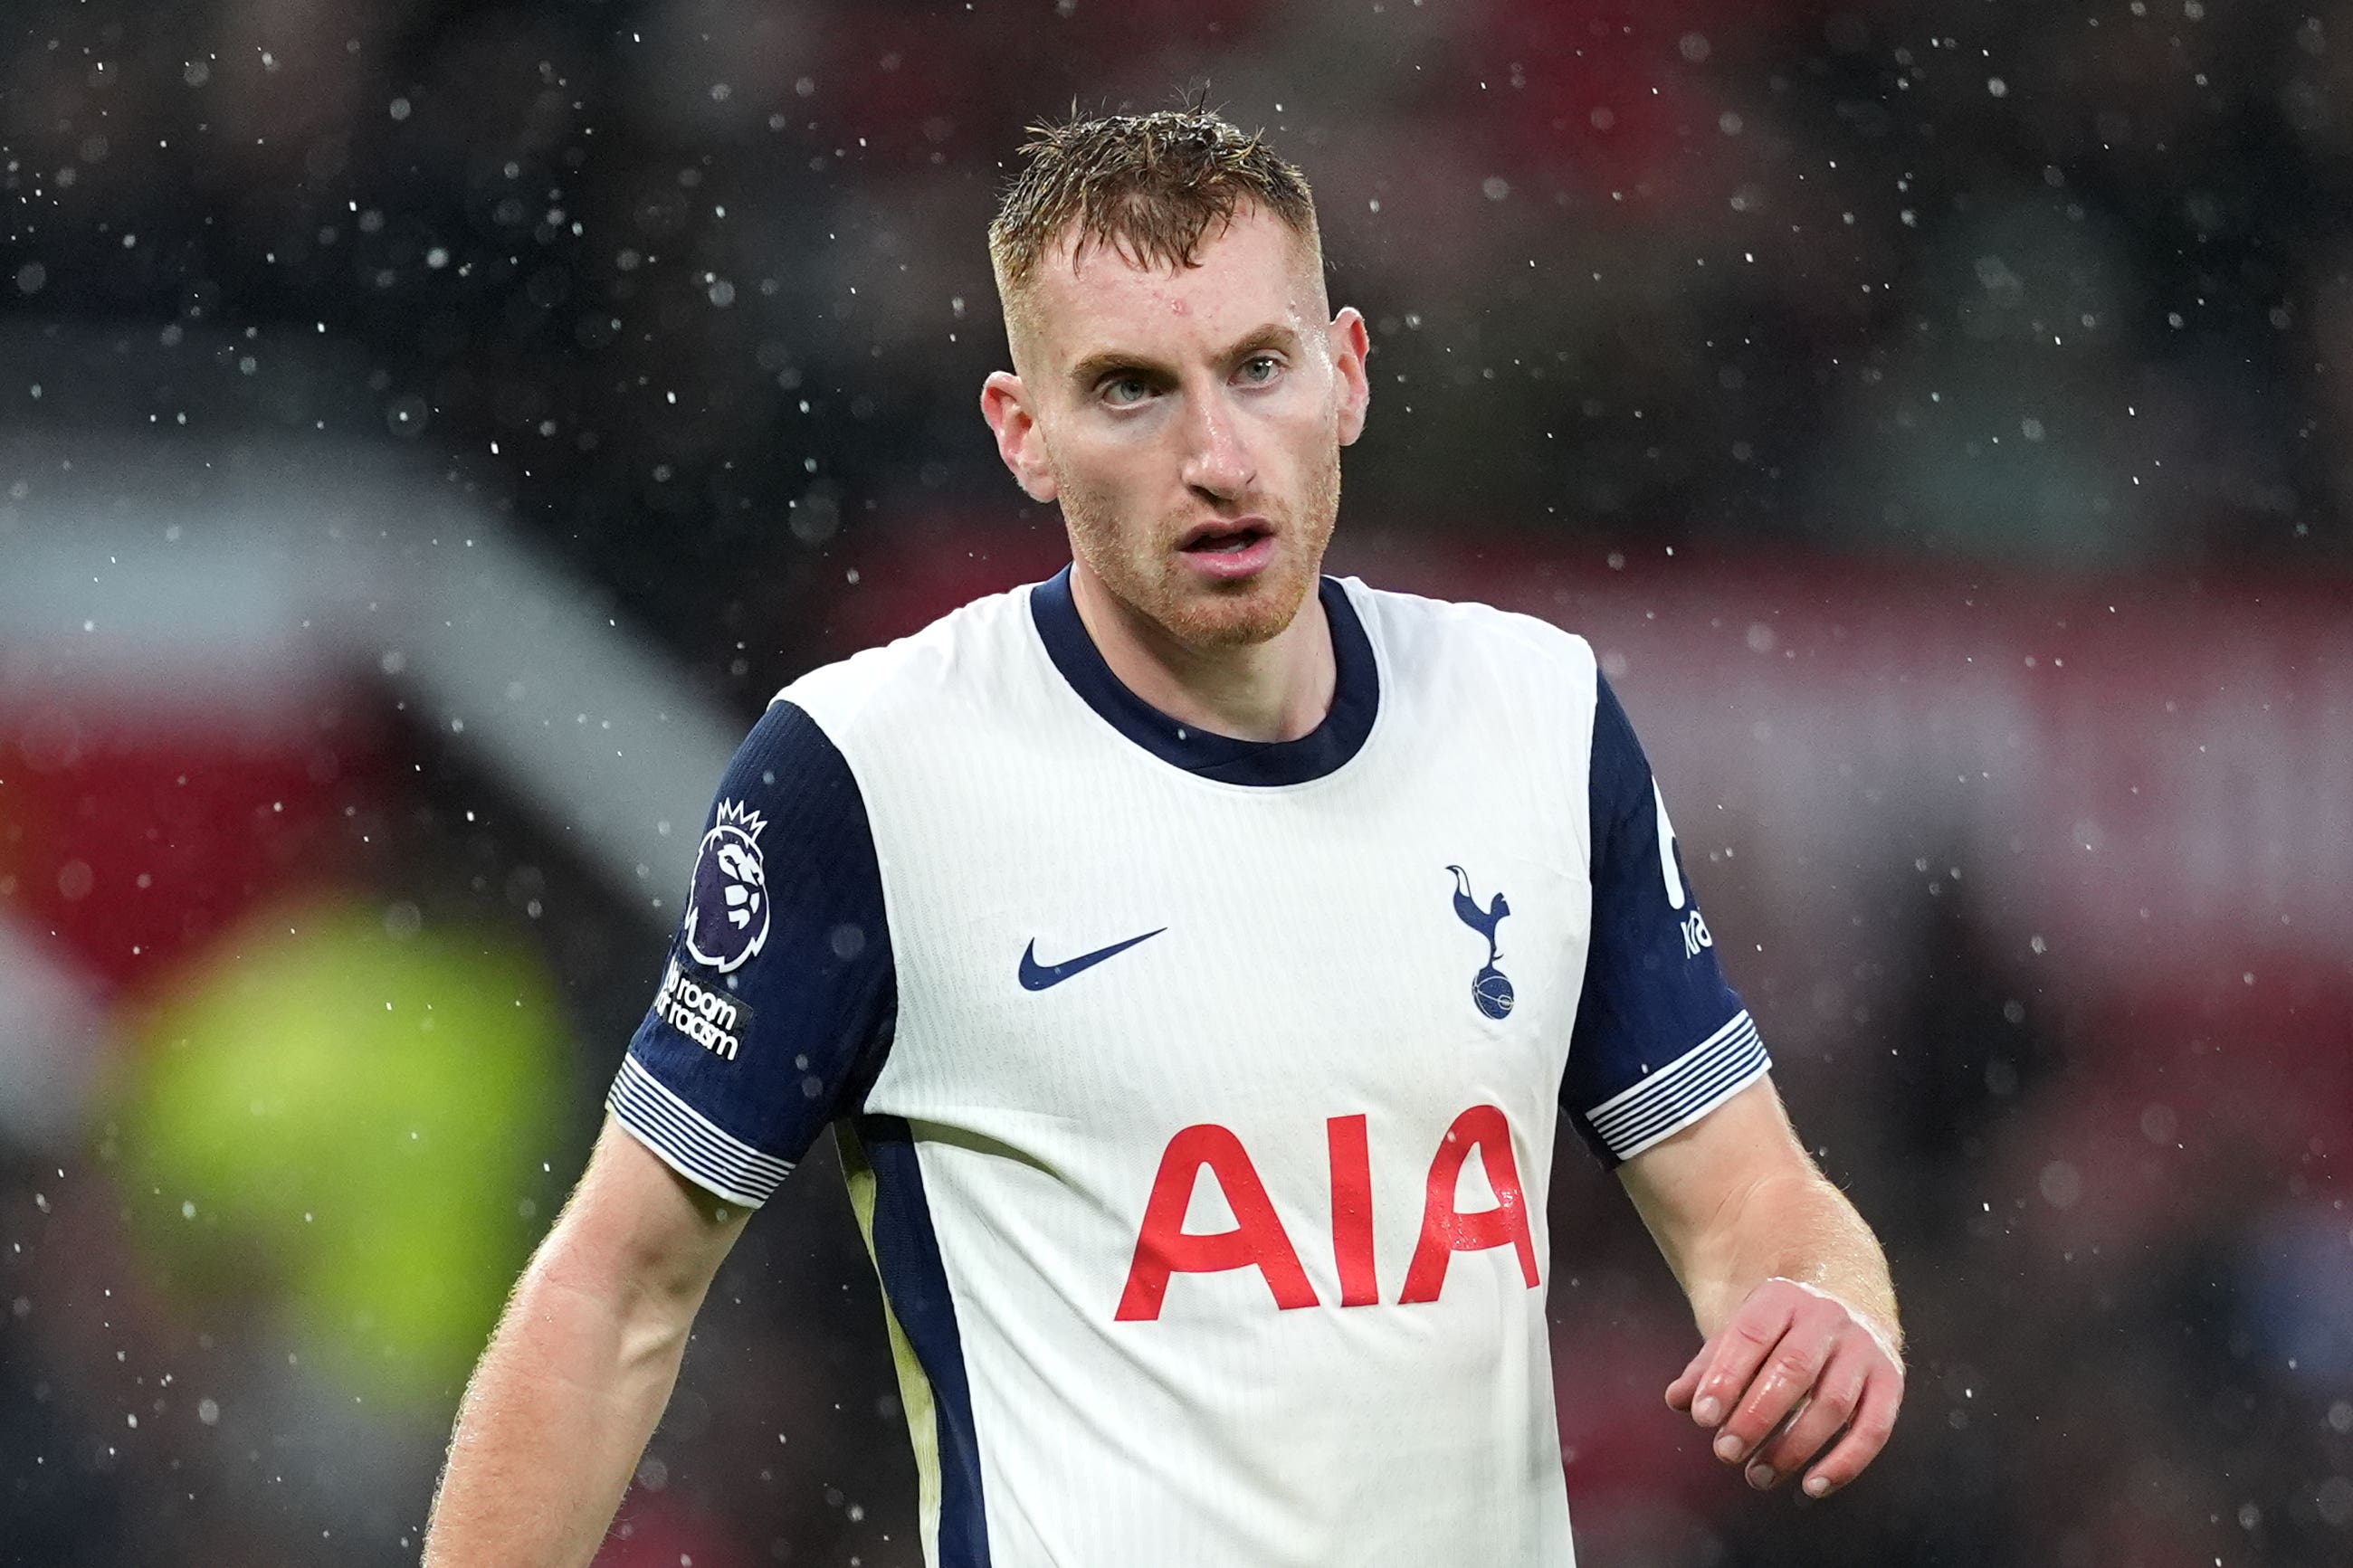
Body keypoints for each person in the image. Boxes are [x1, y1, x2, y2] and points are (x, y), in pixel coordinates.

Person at [423, 107, 1903, 1567]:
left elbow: (1751, 1197)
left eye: (1260, 368)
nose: (1218, 453)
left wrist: (1830, 1304)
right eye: (1131, 389)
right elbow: (617, 1292)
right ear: (1026, 435)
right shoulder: (867, 774)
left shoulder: (1538, 717)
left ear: (1348, 374)